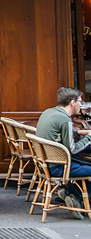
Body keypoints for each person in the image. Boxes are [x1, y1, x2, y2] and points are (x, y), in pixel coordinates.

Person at [35, 87, 91, 217]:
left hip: (45, 164)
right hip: (59, 167)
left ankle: (68, 192)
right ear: (72, 103)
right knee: (85, 162)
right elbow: (72, 149)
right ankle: (75, 196)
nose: (81, 105)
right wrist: (88, 137)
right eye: (80, 101)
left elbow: (59, 134)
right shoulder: (65, 120)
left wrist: (80, 132)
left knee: (84, 161)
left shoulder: (49, 112)